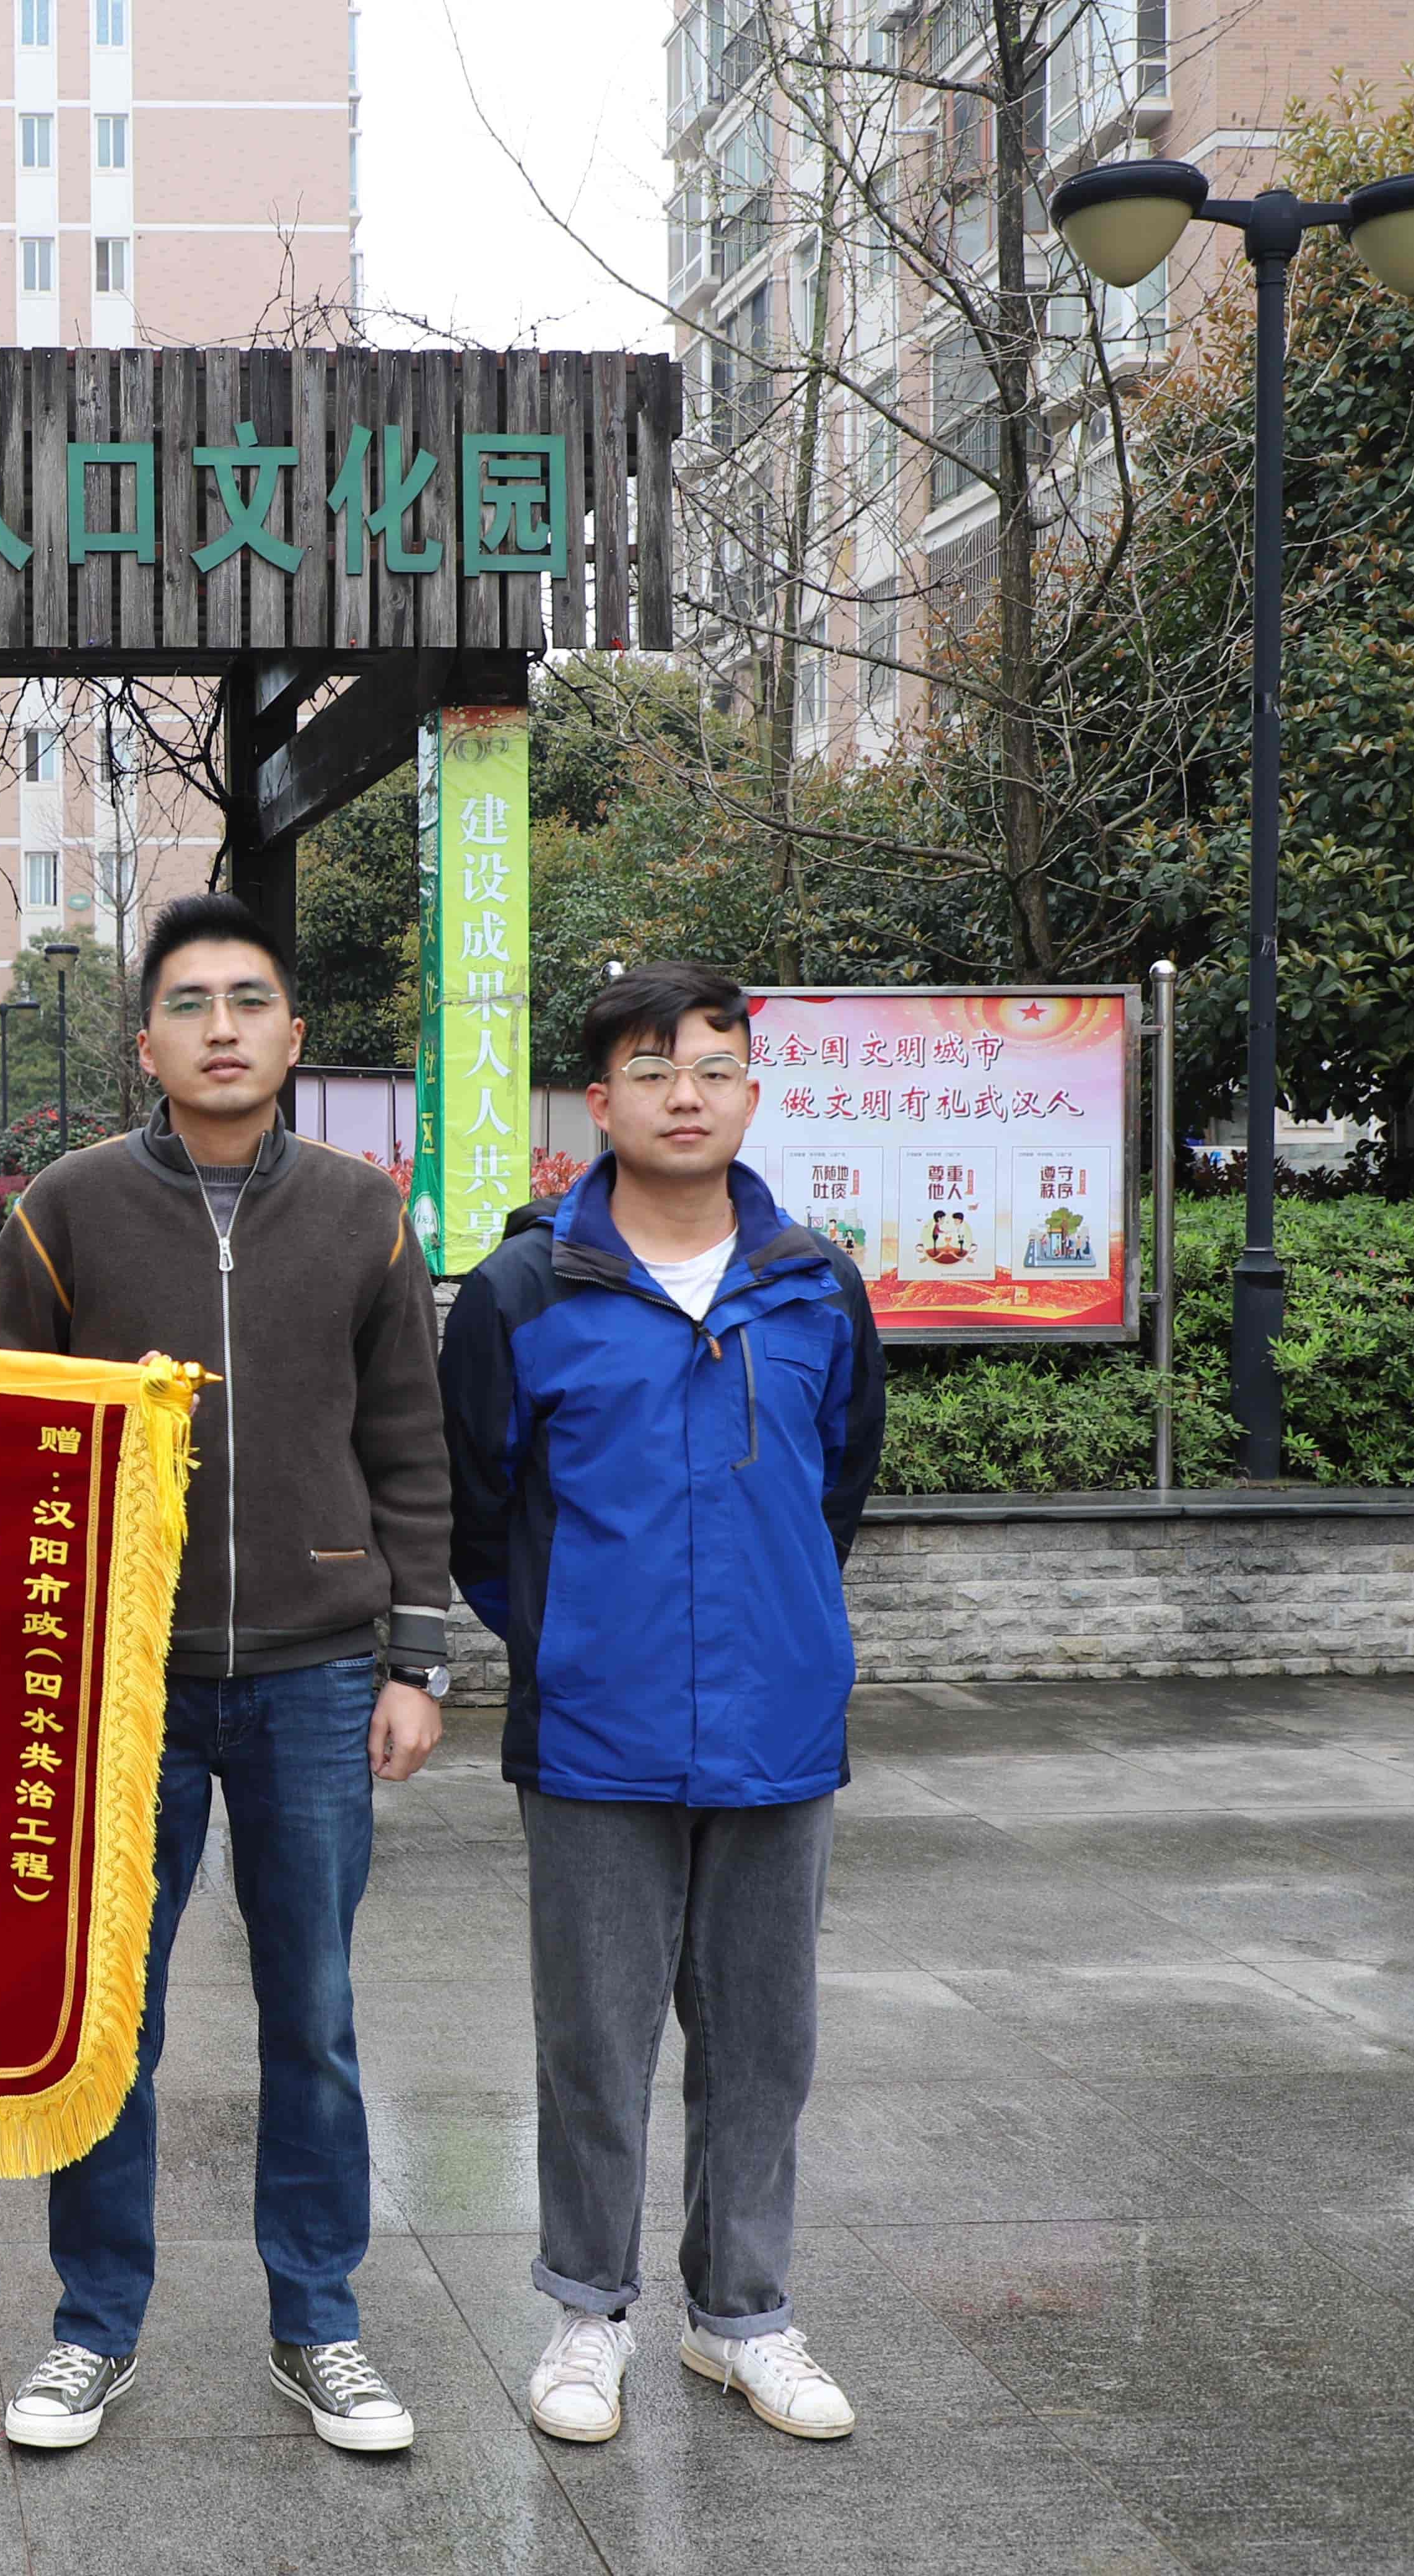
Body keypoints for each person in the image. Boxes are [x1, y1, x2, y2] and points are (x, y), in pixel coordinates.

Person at [0, 891, 455, 2456]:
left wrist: (416, 1656)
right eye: (191, 1003)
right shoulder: (70, 1210)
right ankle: (91, 2328)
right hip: (121, 1683)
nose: (223, 1027)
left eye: (251, 1001)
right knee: (109, 2017)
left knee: (313, 2014)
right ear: (147, 1044)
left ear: (295, 1035)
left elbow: (411, 1444)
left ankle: (320, 2321)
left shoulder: (365, 1214)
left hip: (318, 1679)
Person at [435, 962, 886, 2450]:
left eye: (712, 1067)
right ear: (599, 1100)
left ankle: (741, 2316)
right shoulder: (525, 1291)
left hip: (779, 1724)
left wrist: (777, 1627)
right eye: (650, 1069)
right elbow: (482, 1512)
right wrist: (574, 1641)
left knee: (764, 2041)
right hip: (594, 1732)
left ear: (752, 1092)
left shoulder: (815, 1285)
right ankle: (588, 2311)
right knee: (596, 2039)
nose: (683, 1095)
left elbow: (836, 1486)